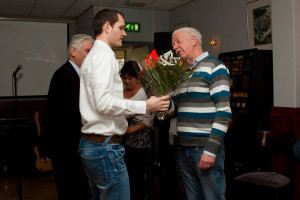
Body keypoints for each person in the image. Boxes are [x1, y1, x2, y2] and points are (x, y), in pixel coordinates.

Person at [78, 9, 170, 200]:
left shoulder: (92, 56)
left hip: (92, 144)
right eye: (121, 27)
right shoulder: (104, 55)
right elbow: (103, 104)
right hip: (104, 147)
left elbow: (99, 104)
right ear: (107, 27)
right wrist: (146, 106)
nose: (124, 33)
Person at [168, 27, 232, 200]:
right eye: (174, 43)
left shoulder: (215, 67)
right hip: (183, 148)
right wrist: (163, 103)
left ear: (194, 40)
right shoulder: (183, 73)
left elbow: (224, 112)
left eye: (178, 41)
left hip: (204, 148)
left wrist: (210, 151)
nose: (175, 47)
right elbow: (176, 109)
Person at [40, 34, 94, 200]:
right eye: (87, 51)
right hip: (66, 146)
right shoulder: (65, 74)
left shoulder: (77, 74)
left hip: (72, 145)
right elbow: (67, 114)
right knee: (70, 190)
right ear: (73, 51)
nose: (90, 56)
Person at [120, 60, 154, 200]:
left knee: (137, 179)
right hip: (123, 142)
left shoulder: (143, 93)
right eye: (124, 78)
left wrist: (130, 130)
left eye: (130, 78)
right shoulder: (121, 92)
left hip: (139, 143)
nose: (127, 81)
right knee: (125, 177)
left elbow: (149, 120)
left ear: (137, 77)